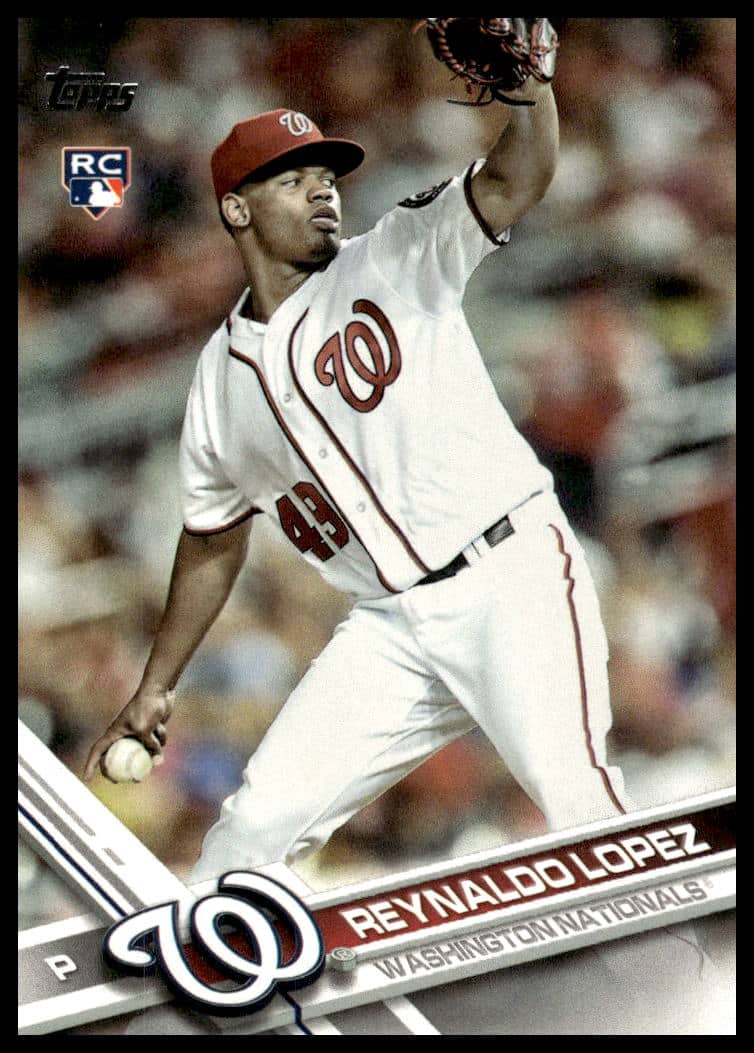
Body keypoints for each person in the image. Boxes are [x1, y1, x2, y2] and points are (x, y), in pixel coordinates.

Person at [85, 80, 632, 883]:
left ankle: (693, 963)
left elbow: (518, 176)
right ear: (236, 209)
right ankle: (223, 967)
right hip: (389, 626)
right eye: (292, 179)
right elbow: (211, 538)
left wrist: (532, 95)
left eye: (326, 177)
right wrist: (156, 685)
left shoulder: (396, 253)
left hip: (509, 575)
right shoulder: (218, 379)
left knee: (580, 806)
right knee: (248, 836)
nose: (321, 192)